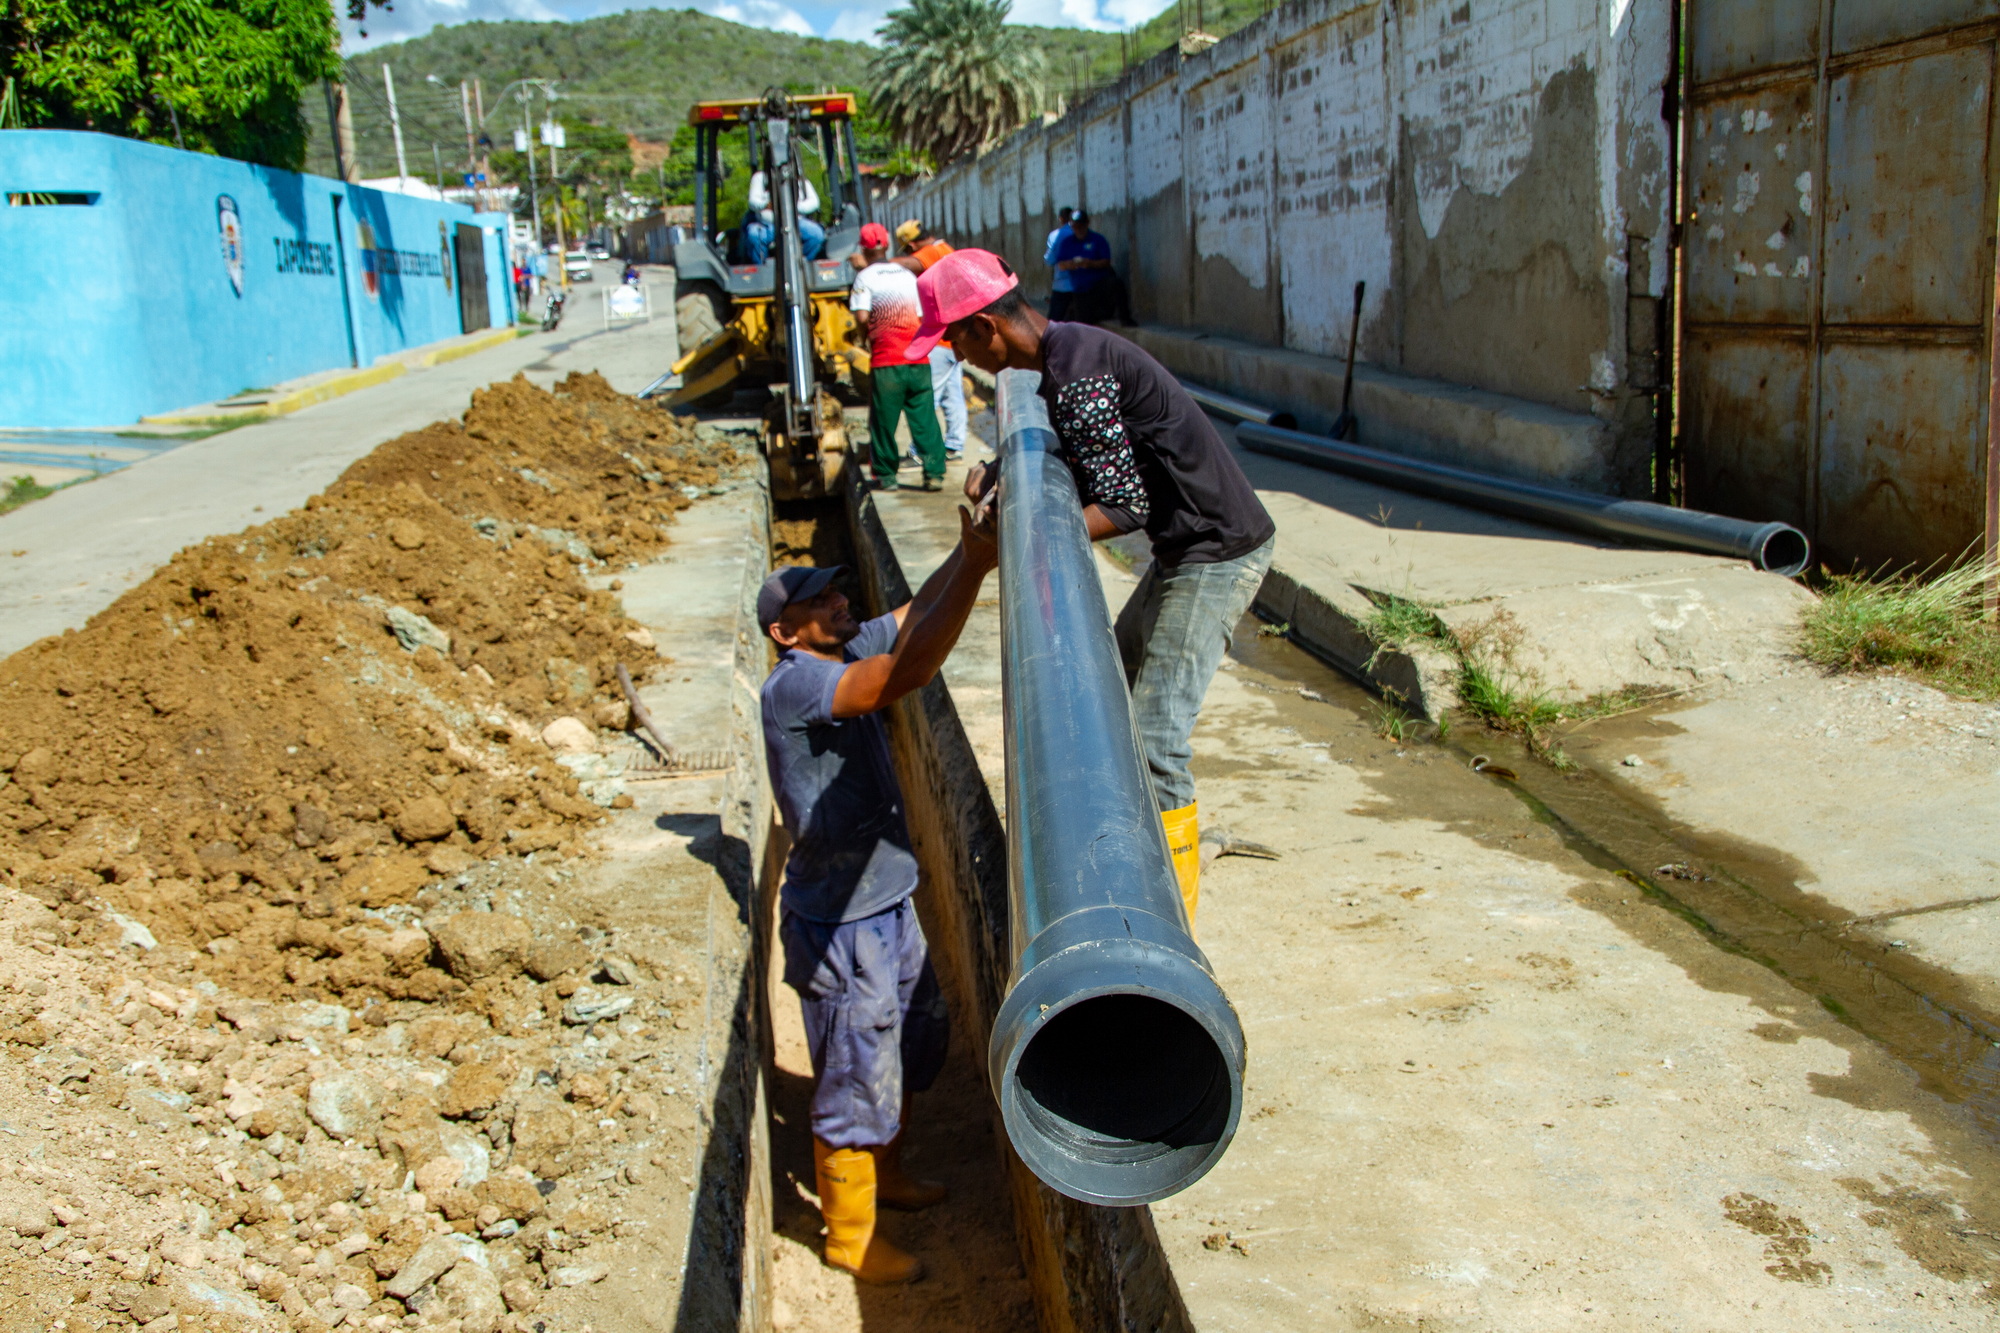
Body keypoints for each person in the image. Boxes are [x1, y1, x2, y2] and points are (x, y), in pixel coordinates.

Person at [909, 249, 1276, 926]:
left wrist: (1027, 538)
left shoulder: (1075, 369)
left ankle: (1172, 933)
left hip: (1215, 552)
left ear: (986, 327)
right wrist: (998, 472)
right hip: (1184, 547)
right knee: (1121, 682)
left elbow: (1124, 504)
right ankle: (1134, 858)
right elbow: (1079, 453)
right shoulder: (1063, 356)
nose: (961, 358)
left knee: (1156, 735)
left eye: (956, 340)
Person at [759, 504, 998, 1285]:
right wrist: (975, 566)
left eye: (836, 593)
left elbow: (912, 615)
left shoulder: (841, 639)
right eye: (819, 602)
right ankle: (849, 1234)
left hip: (889, 901)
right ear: (785, 634)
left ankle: (886, 1172)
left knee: (908, 1039)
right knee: (855, 1070)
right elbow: (906, 672)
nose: (840, 602)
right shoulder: (795, 687)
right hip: (842, 924)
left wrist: (970, 555)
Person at [848, 222, 947, 492]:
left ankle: (887, 476)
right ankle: (934, 472)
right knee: (924, 418)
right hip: (917, 359)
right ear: (888, 246)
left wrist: (864, 337)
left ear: (864, 249)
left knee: (883, 422)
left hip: (886, 361)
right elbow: (919, 315)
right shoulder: (907, 276)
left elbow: (861, 316)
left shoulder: (865, 277)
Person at [892, 220, 967, 463]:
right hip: (952, 336)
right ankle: (954, 445)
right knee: (952, 395)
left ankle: (920, 450)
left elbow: (905, 264)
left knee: (927, 396)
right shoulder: (946, 249)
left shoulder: (932, 252)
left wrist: (875, 264)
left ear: (912, 244)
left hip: (940, 338)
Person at [745, 168, 826, 264]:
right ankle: (763, 267)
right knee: (754, 235)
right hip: (768, 225)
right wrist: (768, 204)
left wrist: (794, 207)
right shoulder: (760, 177)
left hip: (796, 222)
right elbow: (753, 202)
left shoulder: (800, 179)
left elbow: (814, 202)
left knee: (816, 234)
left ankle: (800, 264)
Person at [1051, 210, 1112, 325]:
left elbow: (1106, 261)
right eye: (1075, 226)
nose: (1078, 229)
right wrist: (1071, 264)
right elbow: (1061, 264)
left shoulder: (1098, 240)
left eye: (1081, 225)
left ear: (1087, 224)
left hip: (1097, 286)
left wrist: (1090, 263)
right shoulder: (1067, 243)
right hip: (1079, 290)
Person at [1043, 206, 1075, 320]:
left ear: (1060, 218)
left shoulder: (1055, 235)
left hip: (1062, 286)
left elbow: (1049, 260)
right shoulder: (1081, 233)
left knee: (1054, 321)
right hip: (1082, 286)